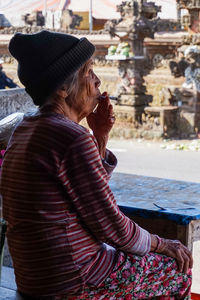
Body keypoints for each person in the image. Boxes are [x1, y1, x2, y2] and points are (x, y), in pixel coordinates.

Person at [0, 30, 193, 300]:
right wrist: (163, 244)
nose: (97, 81)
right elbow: (112, 226)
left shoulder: (27, 129)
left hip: (37, 278)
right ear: (63, 89)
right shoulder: (70, 138)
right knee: (178, 270)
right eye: (88, 72)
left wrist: (99, 137)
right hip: (74, 280)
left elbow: (84, 196)